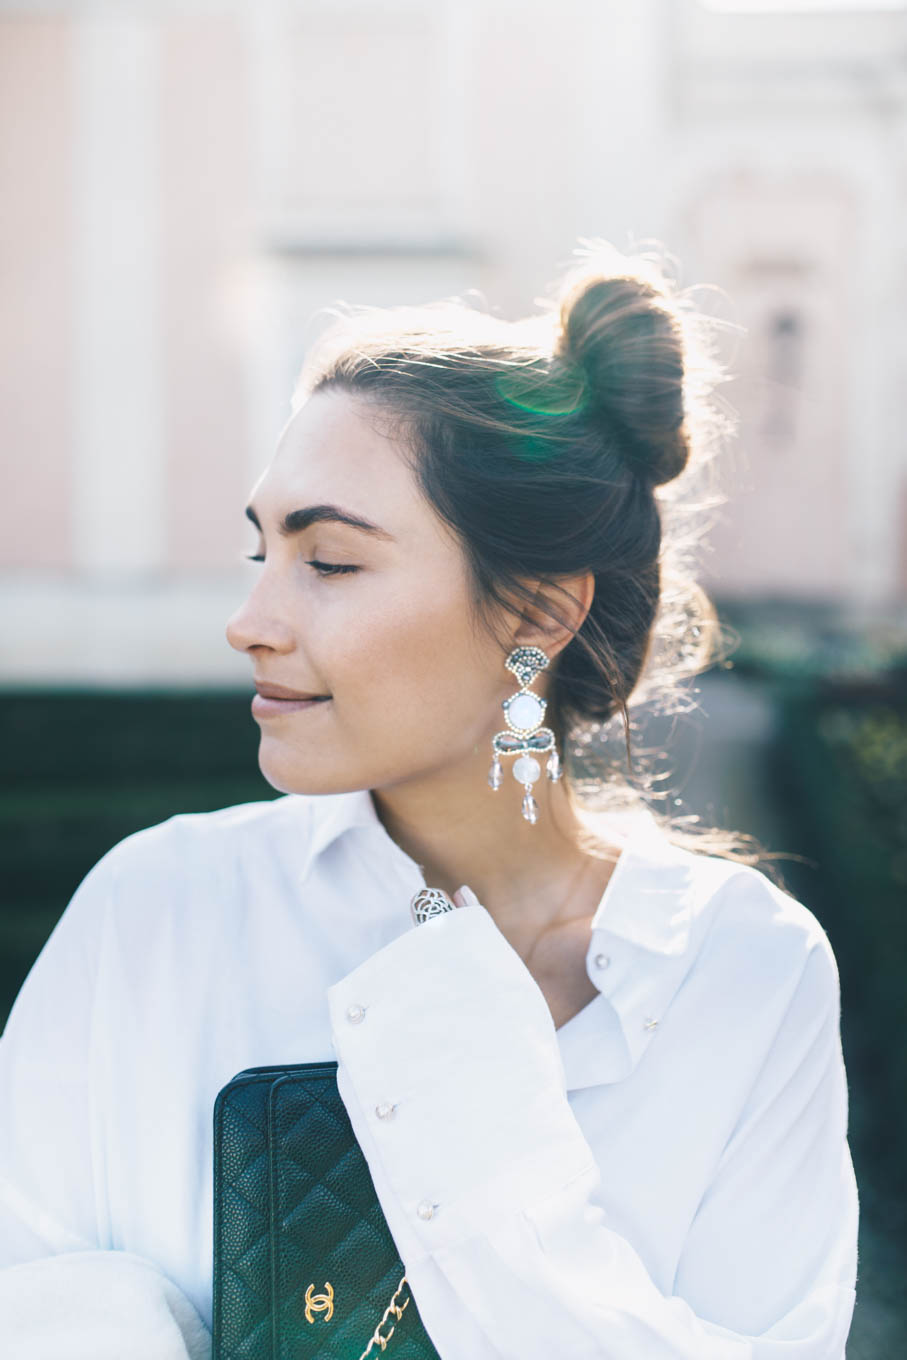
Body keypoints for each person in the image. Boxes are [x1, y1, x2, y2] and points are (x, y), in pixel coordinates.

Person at [0, 240, 858, 1358]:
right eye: (261, 550)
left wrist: (471, 1113)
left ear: (538, 615)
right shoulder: (159, 909)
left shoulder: (741, 965)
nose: (249, 617)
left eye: (332, 562)